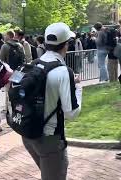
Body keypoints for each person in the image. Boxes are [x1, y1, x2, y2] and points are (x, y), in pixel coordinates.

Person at [22, 22, 82, 180]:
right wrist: (78, 88)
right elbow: (71, 113)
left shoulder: (34, 65)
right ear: (66, 45)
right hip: (50, 139)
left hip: (28, 134)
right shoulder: (63, 72)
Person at [0, 30, 25, 112]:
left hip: (9, 72)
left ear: (8, 36)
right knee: (18, 90)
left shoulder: (5, 46)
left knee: (9, 91)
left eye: (5, 35)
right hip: (19, 71)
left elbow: (1, 60)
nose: (4, 36)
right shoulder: (20, 45)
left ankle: (9, 109)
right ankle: (18, 108)